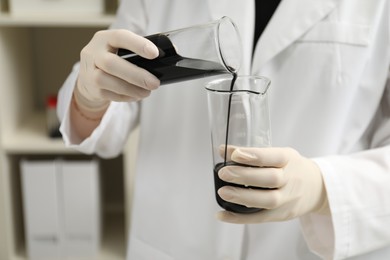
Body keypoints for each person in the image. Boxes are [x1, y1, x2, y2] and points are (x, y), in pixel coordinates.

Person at [57, 0, 390, 259]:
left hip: (302, 247)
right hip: (174, 241)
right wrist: (89, 97)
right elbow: (109, 103)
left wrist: (321, 188)